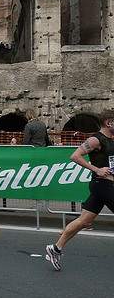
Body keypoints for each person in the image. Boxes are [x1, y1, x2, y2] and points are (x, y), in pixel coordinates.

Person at [45, 110, 114, 271]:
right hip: (102, 185)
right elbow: (75, 156)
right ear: (109, 122)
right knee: (84, 221)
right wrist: (96, 169)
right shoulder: (95, 139)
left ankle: (55, 249)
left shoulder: (110, 139)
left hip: (104, 185)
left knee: (84, 221)